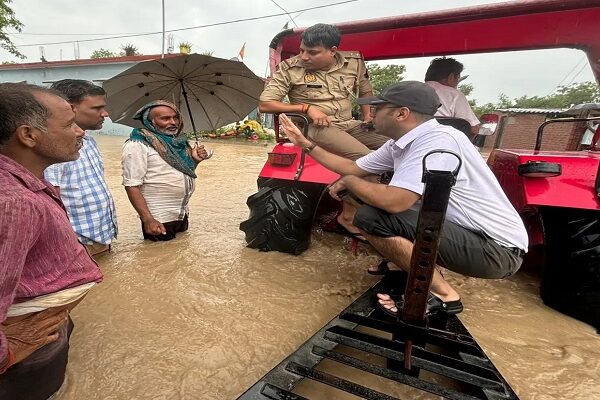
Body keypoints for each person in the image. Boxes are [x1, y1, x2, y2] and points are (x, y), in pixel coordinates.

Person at [278, 81, 528, 316]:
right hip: (470, 237)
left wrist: (350, 181)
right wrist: (305, 144)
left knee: (370, 216)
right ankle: (401, 262)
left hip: (495, 251)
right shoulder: (403, 142)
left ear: (401, 114)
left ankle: (445, 296)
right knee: (362, 194)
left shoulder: (437, 142)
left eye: (377, 108)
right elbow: (354, 167)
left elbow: (395, 202)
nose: (371, 113)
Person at [0, 83, 103, 399]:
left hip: (40, 331)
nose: (80, 132)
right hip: (22, 355)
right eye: (68, 124)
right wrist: (7, 351)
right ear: (29, 135)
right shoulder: (13, 202)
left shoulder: (27, 183)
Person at [259, 23, 389, 235]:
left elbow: (365, 90)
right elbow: (265, 104)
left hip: (349, 123)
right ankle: (348, 216)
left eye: (312, 52)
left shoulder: (354, 62)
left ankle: (392, 200)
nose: (304, 56)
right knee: (366, 160)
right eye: (302, 50)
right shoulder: (290, 68)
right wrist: (307, 108)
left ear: (333, 51)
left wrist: (367, 115)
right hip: (313, 127)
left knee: (399, 146)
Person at [44, 79, 118, 257]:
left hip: (100, 237)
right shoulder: (55, 148)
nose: (105, 114)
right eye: (96, 108)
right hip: (75, 243)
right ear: (69, 108)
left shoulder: (89, 141)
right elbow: (51, 202)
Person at [122, 100, 209, 241]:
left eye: (175, 117)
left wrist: (195, 161)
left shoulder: (178, 143)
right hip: (159, 217)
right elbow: (131, 185)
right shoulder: (138, 145)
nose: (173, 122)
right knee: (158, 259)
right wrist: (148, 219)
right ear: (151, 121)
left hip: (181, 213)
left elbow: (183, 172)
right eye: (165, 118)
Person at [425, 57, 480, 137]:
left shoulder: (409, 92)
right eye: (457, 79)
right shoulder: (455, 95)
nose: (457, 83)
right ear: (451, 77)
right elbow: (473, 128)